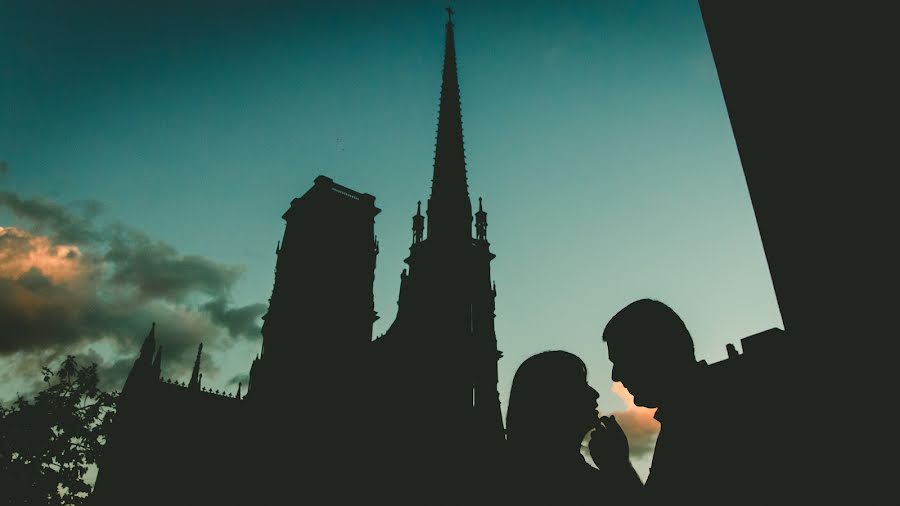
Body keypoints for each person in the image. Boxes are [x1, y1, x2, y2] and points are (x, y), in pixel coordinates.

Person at [602, 299, 777, 502]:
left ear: (655, 353)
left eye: (622, 360)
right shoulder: (698, 406)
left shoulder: (701, 418)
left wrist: (618, 468)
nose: (616, 375)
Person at [503, 351, 642, 503]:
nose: (595, 393)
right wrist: (621, 468)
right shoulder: (594, 489)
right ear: (553, 397)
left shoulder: (506, 477)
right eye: (581, 385)